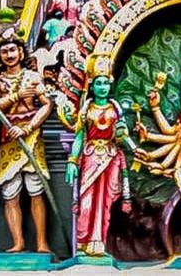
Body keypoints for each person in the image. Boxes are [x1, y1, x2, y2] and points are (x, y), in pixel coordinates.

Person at [0, 29, 53, 253]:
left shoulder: (33, 77)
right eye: (4, 51)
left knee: (36, 190)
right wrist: (16, 96)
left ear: (21, 51)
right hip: (9, 139)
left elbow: (46, 105)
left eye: (12, 49)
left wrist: (29, 127)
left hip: (31, 135)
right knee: (10, 192)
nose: (9, 54)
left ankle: (42, 243)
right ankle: (18, 242)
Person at [66, 55, 131, 257]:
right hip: (91, 156)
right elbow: (79, 137)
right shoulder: (86, 110)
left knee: (105, 203)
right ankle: (83, 242)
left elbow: (122, 134)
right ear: (92, 86)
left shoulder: (115, 109)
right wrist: (72, 161)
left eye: (105, 83)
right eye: (98, 83)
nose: (102, 87)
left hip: (110, 158)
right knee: (86, 202)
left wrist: (131, 145)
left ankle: (98, 240)